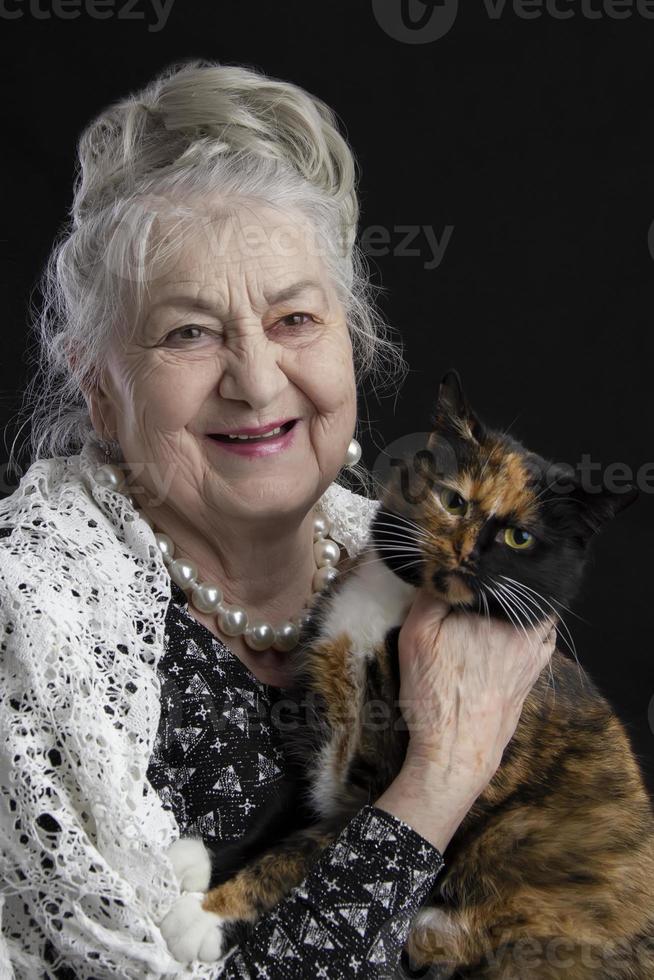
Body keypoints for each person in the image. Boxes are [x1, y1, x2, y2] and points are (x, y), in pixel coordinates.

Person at [0, 59, 554, 979]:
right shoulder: (34, 621)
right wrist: (440, 779)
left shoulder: (425, 573)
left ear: (353, 338)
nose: (257, 382)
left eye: (294, 319)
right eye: (189, 333)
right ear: (100, 388)